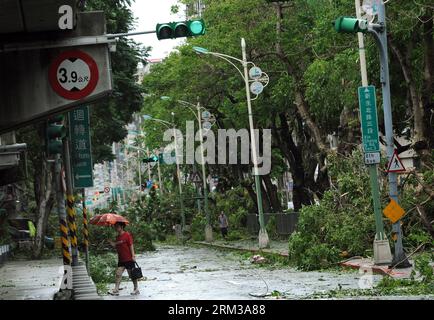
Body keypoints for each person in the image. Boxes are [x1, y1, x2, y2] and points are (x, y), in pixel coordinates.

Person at [108, 222, 140, 296]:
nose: (116, 228)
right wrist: (110, 242)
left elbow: (131, 245)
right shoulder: (117, 237)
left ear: (122, 227)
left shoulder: (127, 235)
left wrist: (133, 256)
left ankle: (136, 289)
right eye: (115, 226)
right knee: (118, 274)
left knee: (132, 275)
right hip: (121, 259)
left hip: (129, 258)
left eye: (117, 226)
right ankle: (116, 289)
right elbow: (115, 245)